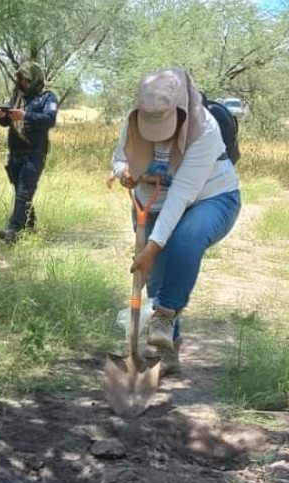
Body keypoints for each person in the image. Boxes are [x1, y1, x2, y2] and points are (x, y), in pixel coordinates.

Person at [107, 68, 241, 374]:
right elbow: (119, 158)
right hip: (151, 201)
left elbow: (181, 196)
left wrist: (151, 249)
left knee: (185, 238)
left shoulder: (204, 129)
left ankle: (165, 316)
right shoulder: (135, 118)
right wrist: (123, 171)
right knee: (155, 279)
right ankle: (165, 354)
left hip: (211, 197)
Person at [0, 61, 58, 243]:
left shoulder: (48, 97)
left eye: (26, 79)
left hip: (34, 153)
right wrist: (3, 117)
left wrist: (26, 115)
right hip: (15, 152)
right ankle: (30, 227)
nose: (23, 83)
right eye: (21, 79)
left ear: (35, 79)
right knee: (22, 191)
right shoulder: (18, 95)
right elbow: (8, 122)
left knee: (23, 191)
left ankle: (13, 230)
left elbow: (49, 119)